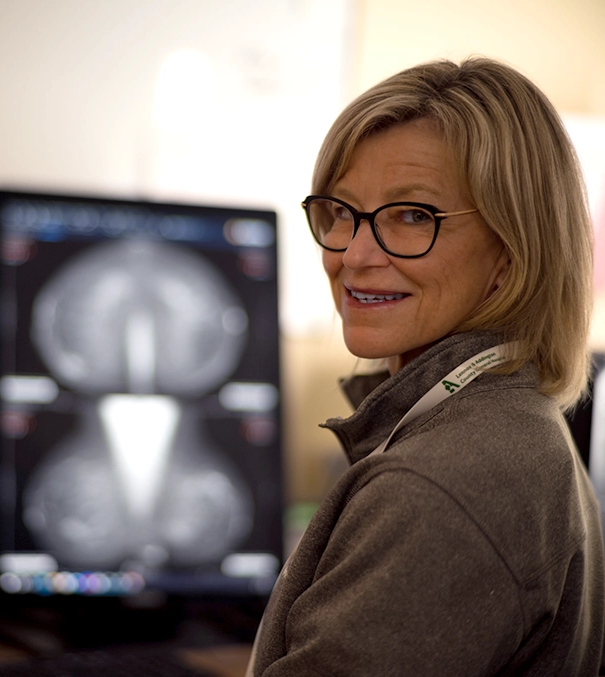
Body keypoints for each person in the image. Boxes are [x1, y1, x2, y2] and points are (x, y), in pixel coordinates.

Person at [246, 57, 605, 676]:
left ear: (513, 250)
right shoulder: (514, 420)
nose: (354, 255)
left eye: (413, 215)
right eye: (342, 212)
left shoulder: (443, 483)